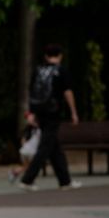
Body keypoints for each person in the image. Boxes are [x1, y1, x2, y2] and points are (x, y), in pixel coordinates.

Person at [18, 43, 79, 190]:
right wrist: (73, 112)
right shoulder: (61, 71)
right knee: (45, 148)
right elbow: (67, 92)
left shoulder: (38, 70)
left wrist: (31, 113)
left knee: (54, 147)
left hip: (40, 113)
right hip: (54, 113)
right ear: (60, 56)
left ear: (46, 56)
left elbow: (32, 92)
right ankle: (27, 179)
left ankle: (65, 181)